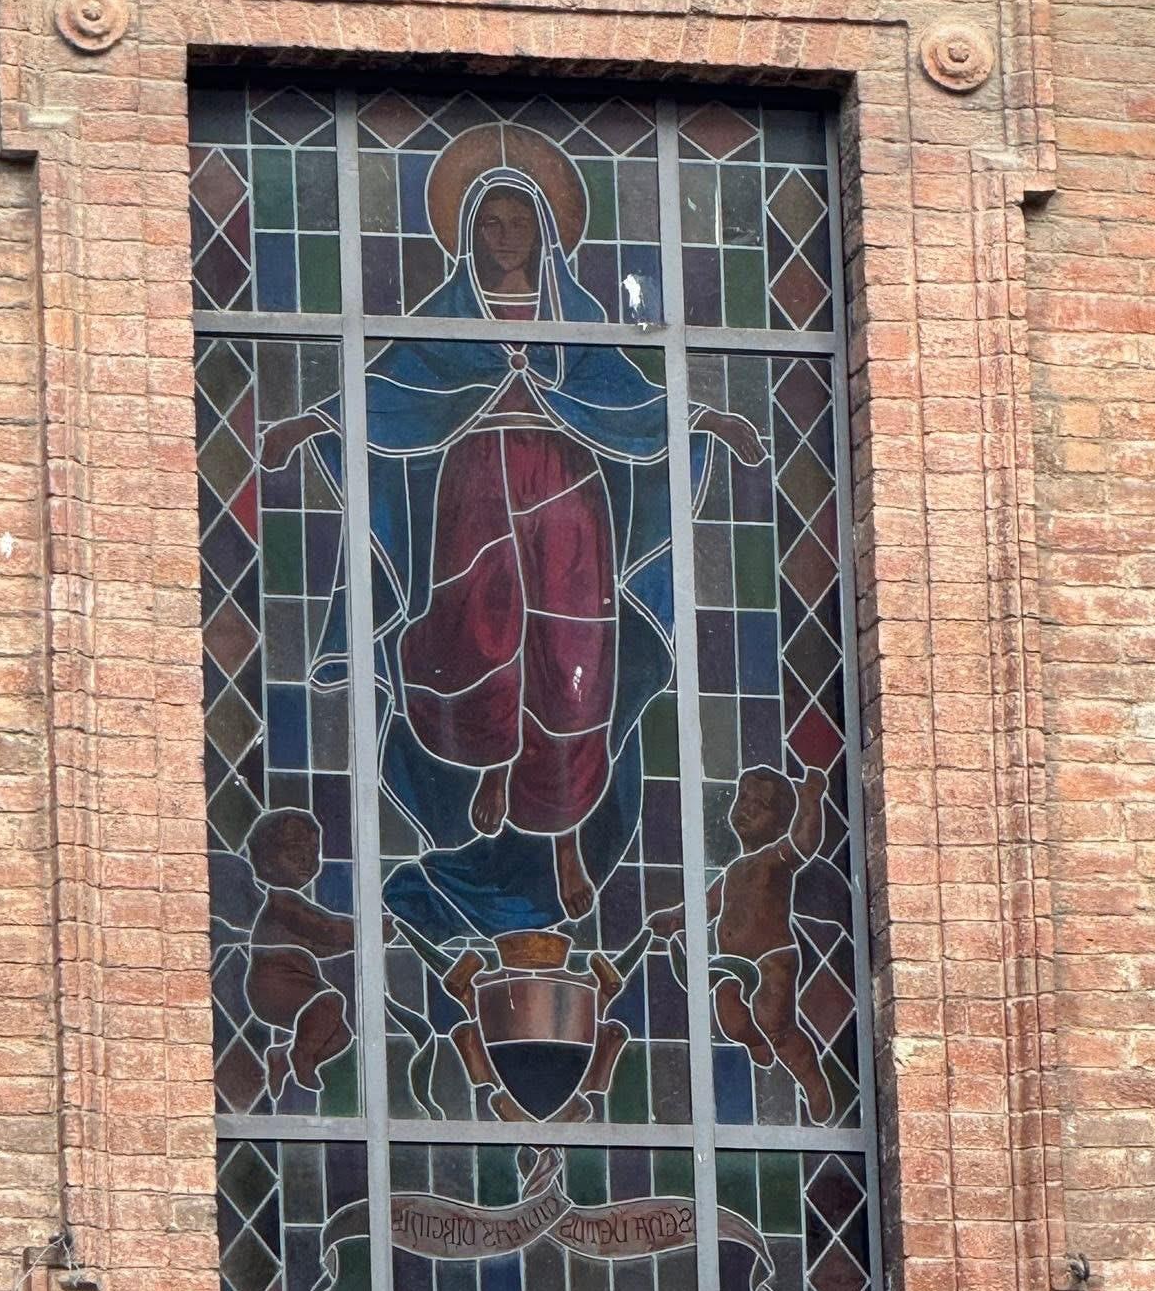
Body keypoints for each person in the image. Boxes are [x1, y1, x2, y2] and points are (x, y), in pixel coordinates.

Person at [260, 126, 764, 947]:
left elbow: (626, 400)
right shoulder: (448, 318)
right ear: (465, 234)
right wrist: (309, 424)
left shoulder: (581, 317)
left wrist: (711, 419)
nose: (503, 237)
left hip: (565, 498)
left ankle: (565, 837)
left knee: (573, 663)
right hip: (475, 498)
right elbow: (390, 389)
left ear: (543, 230)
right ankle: (493, 771)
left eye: (517, 222)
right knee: (481, 647)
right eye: (488, 223)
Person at [650, 766, 837, 1123]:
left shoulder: (775, 859)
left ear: (781, 822)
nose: (746, 808)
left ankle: (813, 1082)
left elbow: (805, 843)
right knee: (730, 1020)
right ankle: (754, 1043)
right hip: (731, 964)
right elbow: (707, 906)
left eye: (760, 804)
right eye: (743, 798)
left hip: (772, 959)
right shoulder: (734, 871)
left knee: (775, 1023)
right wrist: (675, 917)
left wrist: (811, 799)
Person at [243, 809, 354, 1096]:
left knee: (341, 1035)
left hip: (298, 987)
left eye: (313, 851)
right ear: (266, 861)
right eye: (294, 850)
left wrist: (359, 941)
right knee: (330, 1003)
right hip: (274, 986)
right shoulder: (283, 903)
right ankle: (301, 1058)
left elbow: (320, 945)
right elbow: (324, 927)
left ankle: (283, 1057)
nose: (307, 859)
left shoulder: (290, 907)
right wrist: (366, 930)